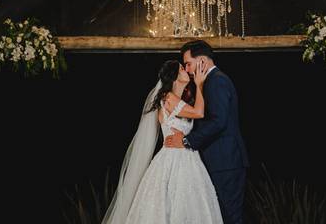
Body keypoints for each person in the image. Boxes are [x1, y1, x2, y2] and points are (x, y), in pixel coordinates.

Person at [102, 58, 223, 224]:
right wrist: (200, 84)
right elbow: (199, 113)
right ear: (173, 76)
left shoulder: (179, 99)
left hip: (188, 158)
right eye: (181, 68)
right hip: (172, 160)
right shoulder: (168, 98)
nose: (186, 71)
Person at [164, 40, 249, 224]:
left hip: (225, 162)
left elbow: (218, 121)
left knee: (230, 217)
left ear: (202, 61)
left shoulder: (216, 81)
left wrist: (186, 141)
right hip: (219, 161)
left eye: (188, 63)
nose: (186, 69)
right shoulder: (208, 82)